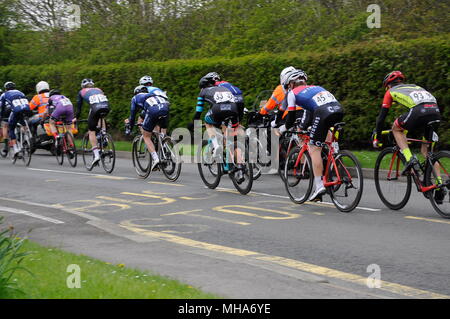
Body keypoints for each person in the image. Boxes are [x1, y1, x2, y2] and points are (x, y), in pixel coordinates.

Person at [372, 71, 443, 202]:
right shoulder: (414, 87)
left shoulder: (390, 91)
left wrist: (377, 137)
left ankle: (410, 159)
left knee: (396, 128)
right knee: (428, 152)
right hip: (435, 112)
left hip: (419, 111)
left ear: (388, 85)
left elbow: (381, 119)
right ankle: (439, 185)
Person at [280, 69, 344, 201]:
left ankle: (319, 186)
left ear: (291, 84)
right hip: (338, 109)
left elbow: (290, 118)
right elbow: (308, 113)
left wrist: (283, 128)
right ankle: (335, 155)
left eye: (287, 86)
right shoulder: (316, 88)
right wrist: (302, 126)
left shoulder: (292, 93)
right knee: (326, 135)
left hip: (322, 112)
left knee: (314, 147)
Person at [189, 73, 241, 159]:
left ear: (203, 86)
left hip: (218, 109)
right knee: (230, 135)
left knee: (207, 122)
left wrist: (194, 123)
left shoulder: (203, 91)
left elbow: (198, 112)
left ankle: (216, 146)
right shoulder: (223, 88)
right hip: (234, 109)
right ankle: (240, 165)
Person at [125, 83, 170, 171]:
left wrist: (129, 128)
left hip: (152, 109)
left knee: (146, 135)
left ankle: (156, 159)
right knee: (160, 130)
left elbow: (133, 115)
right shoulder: (152, 94)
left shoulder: (135, 98)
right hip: (165, 108)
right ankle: (164, 144)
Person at [74, 78, 110, 166]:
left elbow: (79, 108)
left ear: (83, 86)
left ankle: (97, 155)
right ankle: (104, 135)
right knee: (100, 116)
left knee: (91, 131)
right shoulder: (99, 89)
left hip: (95, 108)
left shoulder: (81, 92)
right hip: (106, 107)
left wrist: (76, 118)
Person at [0, 82, 32, 156]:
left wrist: (1, 117)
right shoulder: (20, 92)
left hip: (12, 110)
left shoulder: (4, 95)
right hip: (26, 109)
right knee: (22, 120)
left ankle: (15, 148)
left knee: (8, 127)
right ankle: (27, 136)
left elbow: (2, 108)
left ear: (5, 88)